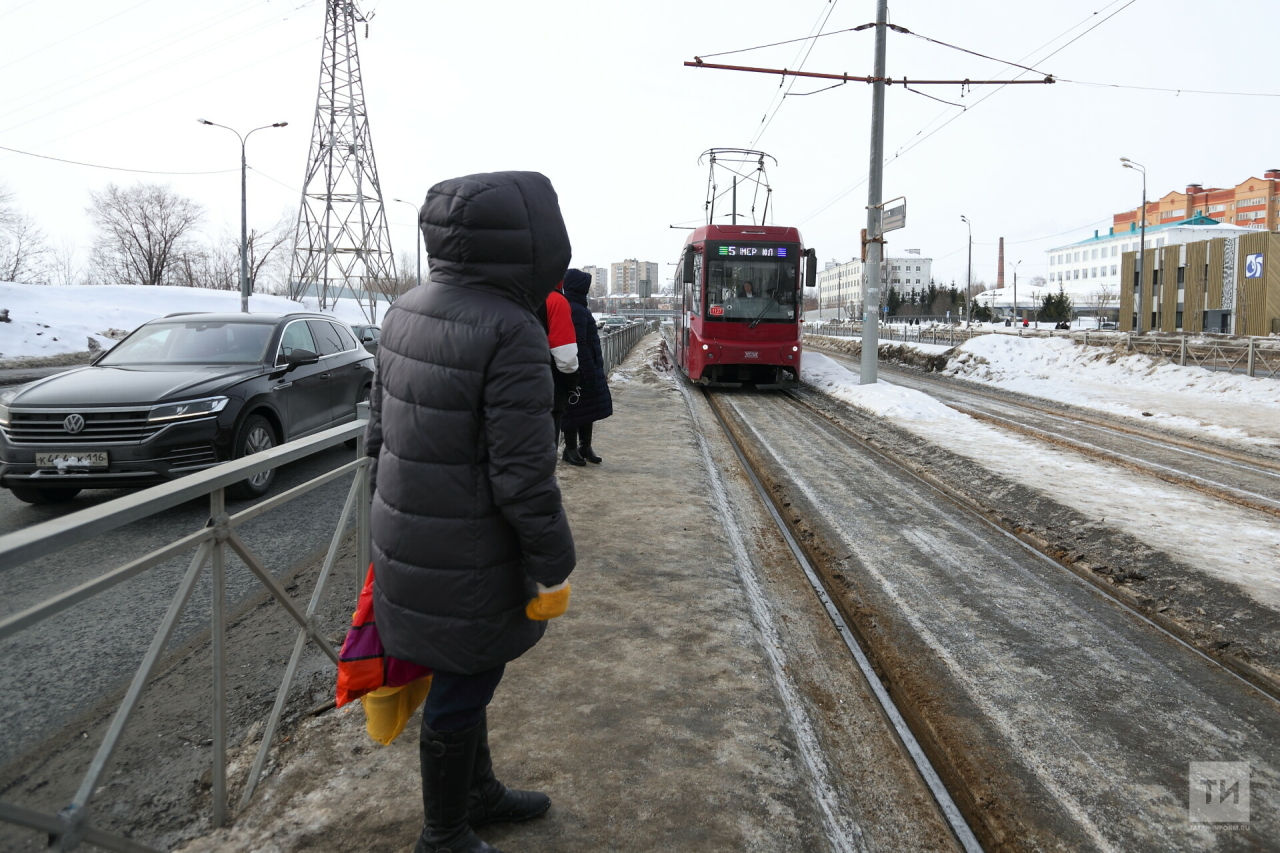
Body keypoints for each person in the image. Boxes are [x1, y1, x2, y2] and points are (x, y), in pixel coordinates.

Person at [365, 171, 576, 853]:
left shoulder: (403, 310)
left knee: (463, 669)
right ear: (532, 242)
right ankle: (444, 833)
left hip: (410, 535)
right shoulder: (511, 328)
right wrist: (554, 560)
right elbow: (522, 473)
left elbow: (376, 438)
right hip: (468, 547)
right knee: (463, 682)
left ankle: (475, 794)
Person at [560, 268, 613, 465]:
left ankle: (585, 446)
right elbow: (579, 344)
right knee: (574, 408)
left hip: (584, 366)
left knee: (586, 408)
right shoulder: (575, 309)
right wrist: (588, 371)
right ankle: (571, 448)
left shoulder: (577, 307)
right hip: (580, 369)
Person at [539, 281, 579, 439]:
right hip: (548, 390)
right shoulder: (555, 300)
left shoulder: (507, 296)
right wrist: (571, 384)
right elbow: (566, 357)